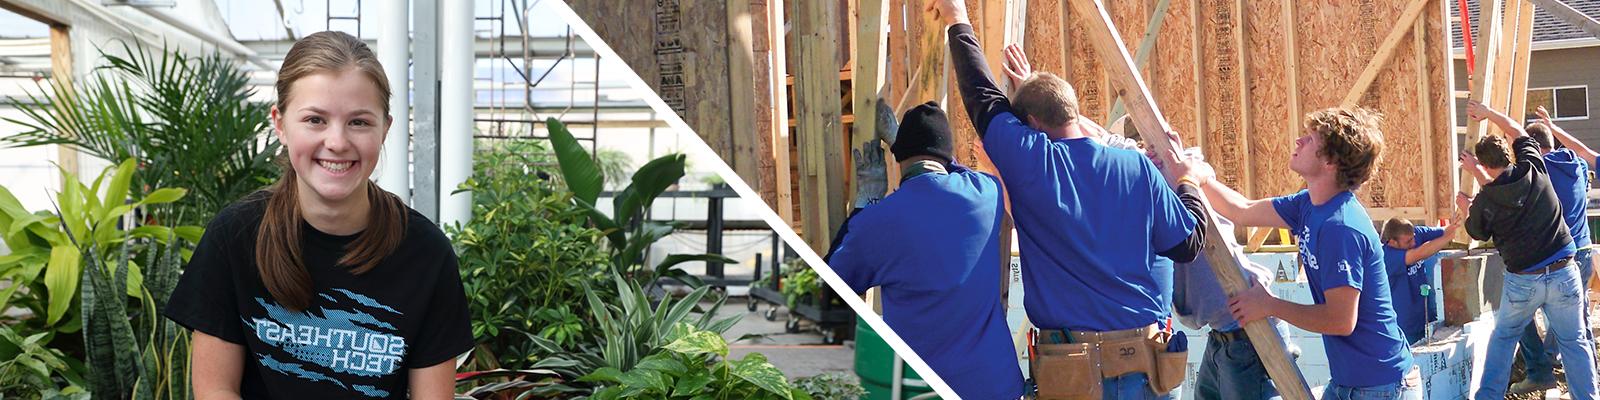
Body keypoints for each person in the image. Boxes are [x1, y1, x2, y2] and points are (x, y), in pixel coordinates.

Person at [164, 31, 472, 399]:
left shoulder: (425, 252)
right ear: (280, 124)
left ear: (385, 129)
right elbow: (215, 390)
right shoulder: (236, 236)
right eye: (315, 120)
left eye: (359, 122)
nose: (338, 142)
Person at [931, 1, 1210, 397]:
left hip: (1073, 374)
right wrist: (1188, 182)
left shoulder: (1036, 167)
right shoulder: (1137, 169)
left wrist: (957, 20)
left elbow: (982, 99)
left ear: (1031, 126)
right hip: (1145, 367)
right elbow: (1186, 244)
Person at [1171, 106, 1421, 399]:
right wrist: (1195, 177)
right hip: (1352, 384)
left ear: (1330, 162)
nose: (1300, 141)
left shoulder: (1340, 227)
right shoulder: (1308, 204)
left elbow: (1341, 320)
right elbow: (1242, 210)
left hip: (1379, 388)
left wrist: (1270, 304)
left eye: (1311, 140)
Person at [826, 102, 1026, 400]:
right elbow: (951, 168)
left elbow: (831, 285)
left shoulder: (877, 223)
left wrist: (863, 202)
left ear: (900, 157)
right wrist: (904, 144)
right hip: (994, 385)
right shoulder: (986, 194)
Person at [1456, 100, 1597, 400]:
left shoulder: (1487, 201)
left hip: (1523, 280)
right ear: (1510, 154)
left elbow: (1477, 230)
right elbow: (1516, 129)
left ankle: (1488, 396)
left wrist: (1467, 207)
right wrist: (1487, 112)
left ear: (1485, 165)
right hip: (1564, 272)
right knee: (1574, 342)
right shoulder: (1534, 166)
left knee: (1504, 339)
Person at [1378, 217, 1460, 344]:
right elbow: (1418, 254)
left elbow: (1443, 231)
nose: (1414, 243)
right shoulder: (1386, 256)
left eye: (1414, 238)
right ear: (1392, 242)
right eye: (1408, 242)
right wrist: (1448, 238)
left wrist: (1456, 225)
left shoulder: (1413, 234)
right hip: (1404, 327)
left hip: (1426, 319)